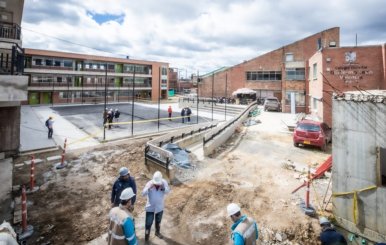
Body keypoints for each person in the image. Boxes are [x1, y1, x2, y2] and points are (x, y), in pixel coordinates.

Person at [142, 171, 170, 242]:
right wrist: (148, 188)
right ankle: (146, 238)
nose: (156, 185)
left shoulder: (164, 183)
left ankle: (157, 232)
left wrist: (164, 188)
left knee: (158, 221)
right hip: (150, 208)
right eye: (155, 184)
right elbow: (143, 193)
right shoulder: (149, 183)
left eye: (158, 184)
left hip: (159, 207)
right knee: (148, 224)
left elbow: (168, 191)